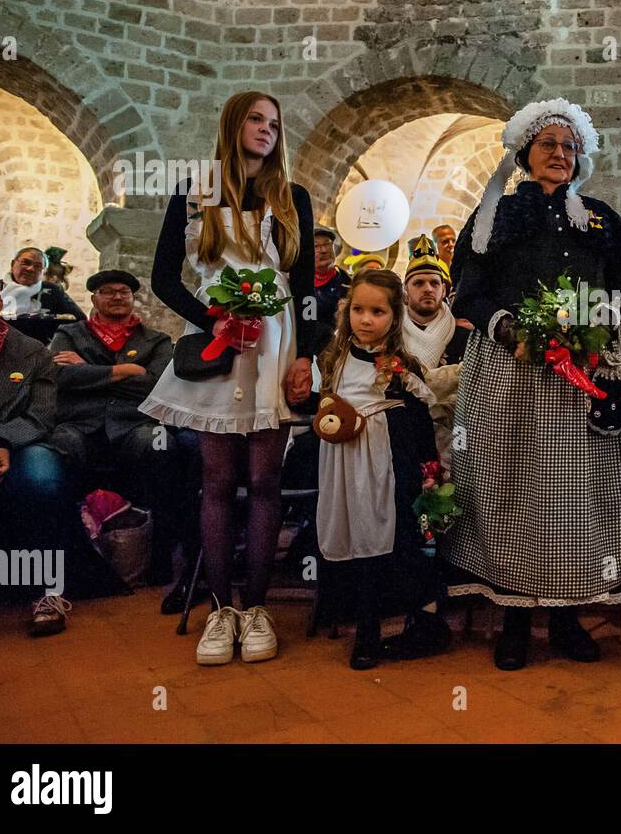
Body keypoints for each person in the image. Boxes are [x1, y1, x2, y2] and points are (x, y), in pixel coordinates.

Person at [445, 97, 621, 671]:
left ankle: (565, 613)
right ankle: (512, 615)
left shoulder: (603, 217)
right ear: (525, 154)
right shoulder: (495, 214)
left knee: (577, 494)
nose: (560, 154)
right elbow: (470, 292)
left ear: (581, 156)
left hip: (584, 370)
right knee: (511, 488)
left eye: (569, 146)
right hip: (513, 368)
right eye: (548, 145)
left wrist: (603, 327)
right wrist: (511, 331)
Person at [140, 90, 318, 666]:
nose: (266, 129)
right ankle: (220, 610)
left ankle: (257, 608)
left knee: (265, 481)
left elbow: (307, 289)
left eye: (274, 122)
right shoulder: (196, 192)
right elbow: (164, 278)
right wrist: (214, 317)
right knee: (217, 480)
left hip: (276, 345)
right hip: (220, 347)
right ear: (232, 124)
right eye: (255, 119)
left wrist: (304, 358)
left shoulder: (293, 198)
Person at [0, 267, 115, 635]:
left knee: (42, 482)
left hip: (23, 441)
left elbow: (43, 412)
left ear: (0, 300)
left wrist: (3, 444)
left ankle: (47, 591)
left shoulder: (32, 351)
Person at [314, 269, 451, 669]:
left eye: (377, 311)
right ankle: (351, 616)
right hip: (343, 463)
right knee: (352, 535)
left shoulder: (399, 366)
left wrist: (427, 469)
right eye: (358, 309)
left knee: (385, 539)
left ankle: (377, 630)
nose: (366, 320)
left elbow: (420, 416)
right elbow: (323, 403)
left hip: (386, 464)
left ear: (395, 315)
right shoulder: (334, 356)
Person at [46, 269, 196, 595]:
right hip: (80, 424)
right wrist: (126, 371)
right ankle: (74, 559)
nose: (117, 297)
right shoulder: (69, 334)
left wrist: (87, 372)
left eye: (123, 292)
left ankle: (159, 556)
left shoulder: (155, 340)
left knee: (162, 445)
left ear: (132, 298)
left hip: (134, 424)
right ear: (95, 298)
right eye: (108, 291)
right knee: (59, 447)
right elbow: (58, 377)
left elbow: (159, 384)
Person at [401, 234, 470, 469]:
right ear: (405, 291)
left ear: (444, 289)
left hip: (459, 432)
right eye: (418, 283)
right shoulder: (392, 337)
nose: (427, 289)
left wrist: (417, 381)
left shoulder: (463, 334)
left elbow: (471, 379)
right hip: (408, 433)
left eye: (434, 283)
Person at [0, 247, 86, 344]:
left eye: (38, 266)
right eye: (26, 263)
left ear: (43, 271)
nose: (30, 269)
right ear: (13, 264)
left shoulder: (52, 291)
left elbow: (78, 321)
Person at [313, 227, 350, 337]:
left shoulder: (347, 283)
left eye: (328, 244)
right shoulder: (300, 283)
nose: (324, 250)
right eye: (316, 246)